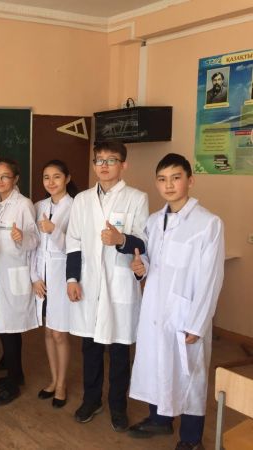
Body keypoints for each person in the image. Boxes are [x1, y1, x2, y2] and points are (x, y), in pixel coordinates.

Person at [127, 153, 224, 450]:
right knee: (157, 365)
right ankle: (160, 420)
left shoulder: (208, 224)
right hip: (155, 309)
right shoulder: (154, 221)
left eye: (176, 178)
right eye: (162, 179)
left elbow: (211, 278)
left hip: (185, 315)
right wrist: (141, 267)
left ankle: (191, 439)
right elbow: (151, 261)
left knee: (190, 376)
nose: (168, 185)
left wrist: (198, 322)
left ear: (190, 181)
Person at [65, 140, 148, 431]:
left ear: (123, 165)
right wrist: (72, 279)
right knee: (90, 348)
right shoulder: (82, 199)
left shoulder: (136, 198)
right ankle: (91, 400)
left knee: (119, 351)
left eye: (111, 160)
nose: (104, 165)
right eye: (99, 160)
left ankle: (118, 406)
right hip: (88, 284)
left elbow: (143, 242)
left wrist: (121, 240)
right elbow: (73, 241)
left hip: (119, 284)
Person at [0, 158, 39, 406]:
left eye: (5, 176)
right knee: (3, 326)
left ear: (15, 179)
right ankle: (15, 374)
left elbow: (35, 239)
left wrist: (22, 237)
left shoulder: (23, 204)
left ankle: (13, 381)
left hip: (14, 272)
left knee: (10, 329)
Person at [31, 160, 77, 408]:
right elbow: (33, 246)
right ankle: (53, 379)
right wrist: (34, 277)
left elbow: (76, 247)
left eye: (56, 177)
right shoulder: (39, 206)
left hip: (62, 277)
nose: (51, 182)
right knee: (48, 332)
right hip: (43, 277)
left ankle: (62, 384)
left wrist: (54, 230)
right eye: (46, 177)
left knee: (60, 333)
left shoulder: (75, 206)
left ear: (67, 178)